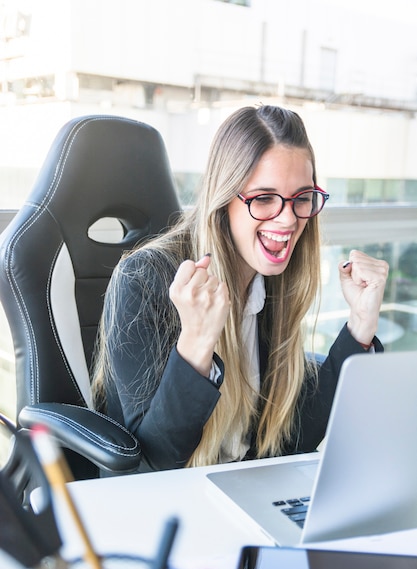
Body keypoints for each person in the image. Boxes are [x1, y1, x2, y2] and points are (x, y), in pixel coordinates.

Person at [91, 104, 389, 473]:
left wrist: (360, 326)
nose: (288, 219)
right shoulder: (143, 280)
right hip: (166, 506)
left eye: (301, 198)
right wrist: (196, 346)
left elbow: (291, 441)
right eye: (264, 198)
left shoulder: (274, 280)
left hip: (243, 491)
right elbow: (153, 465)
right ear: (223, 200)